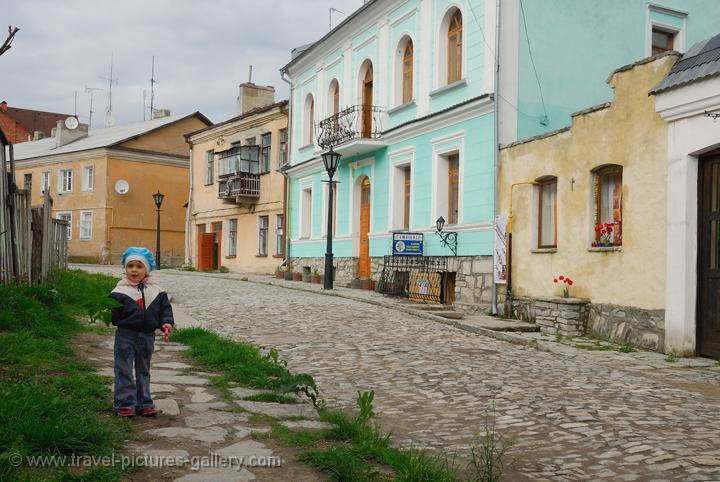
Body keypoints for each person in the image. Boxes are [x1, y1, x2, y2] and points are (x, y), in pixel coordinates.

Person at [110, 247, 174, 417]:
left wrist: (166, 323)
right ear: (125, 268)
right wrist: (115, 318)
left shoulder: (157, 291)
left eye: (139, 266)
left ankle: (144, 402)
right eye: (130, 266)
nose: (134, 270)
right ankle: (124, 403)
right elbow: (114, 315)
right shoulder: (119, 291)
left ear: (147, 269)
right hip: (125, 335)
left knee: (143, 369)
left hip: (147, 336)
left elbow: (165, 310)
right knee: (123, 368)